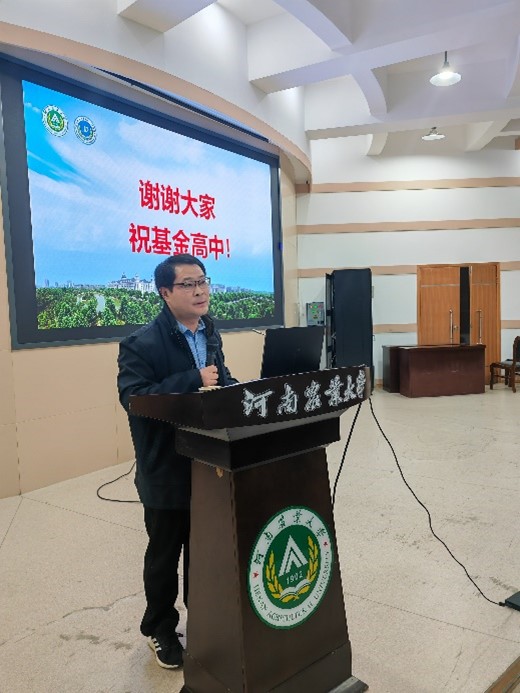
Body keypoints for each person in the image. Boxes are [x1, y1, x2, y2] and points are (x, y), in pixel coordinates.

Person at [117, 253, 237, 669]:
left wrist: (245, 393)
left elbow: (220, 381)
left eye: (203, 281)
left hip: (209, 462)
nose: (200, 290)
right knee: (164, 555)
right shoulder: (141, 343)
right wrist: (192, 379)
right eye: (188, 284)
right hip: (166, 468)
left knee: (203, 552)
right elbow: (135, 399)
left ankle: (202, 620)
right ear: (165, 292)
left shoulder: (209, 331)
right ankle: (160, 629)